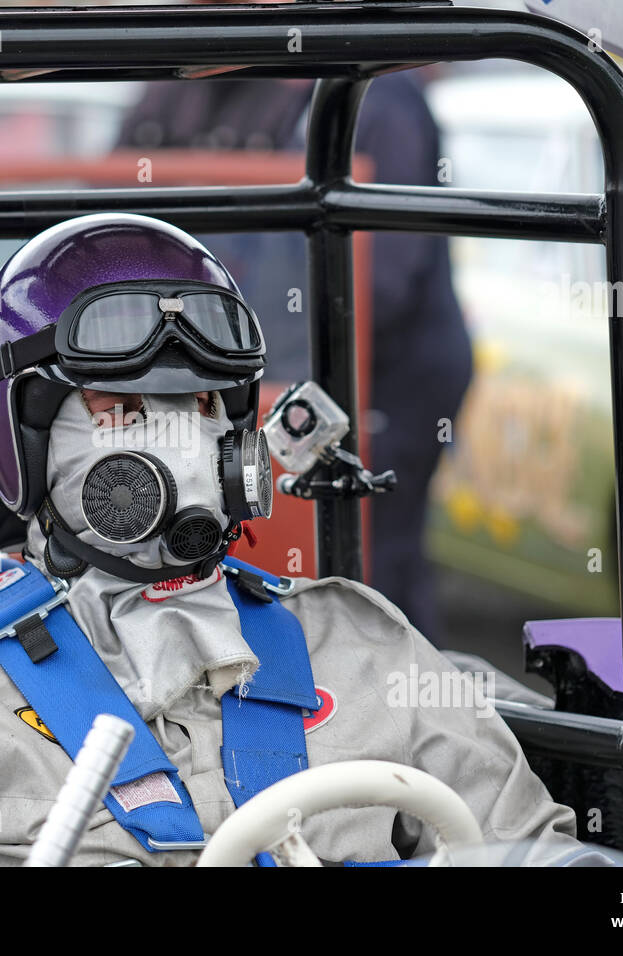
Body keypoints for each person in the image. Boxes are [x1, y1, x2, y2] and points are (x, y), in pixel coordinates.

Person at [0, 214, 575, 867]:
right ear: (24, 436)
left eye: (203, 403)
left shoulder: (361, 643)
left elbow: (539, 853)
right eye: (123, 408)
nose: (180, 441)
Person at [118, 70, 471, 645]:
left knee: (368, 567)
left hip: (379, 381)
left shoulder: (375, 97)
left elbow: (377, 277)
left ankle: (394, 695)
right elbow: (120, 220)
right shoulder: (184, 83)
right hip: (257, 377)